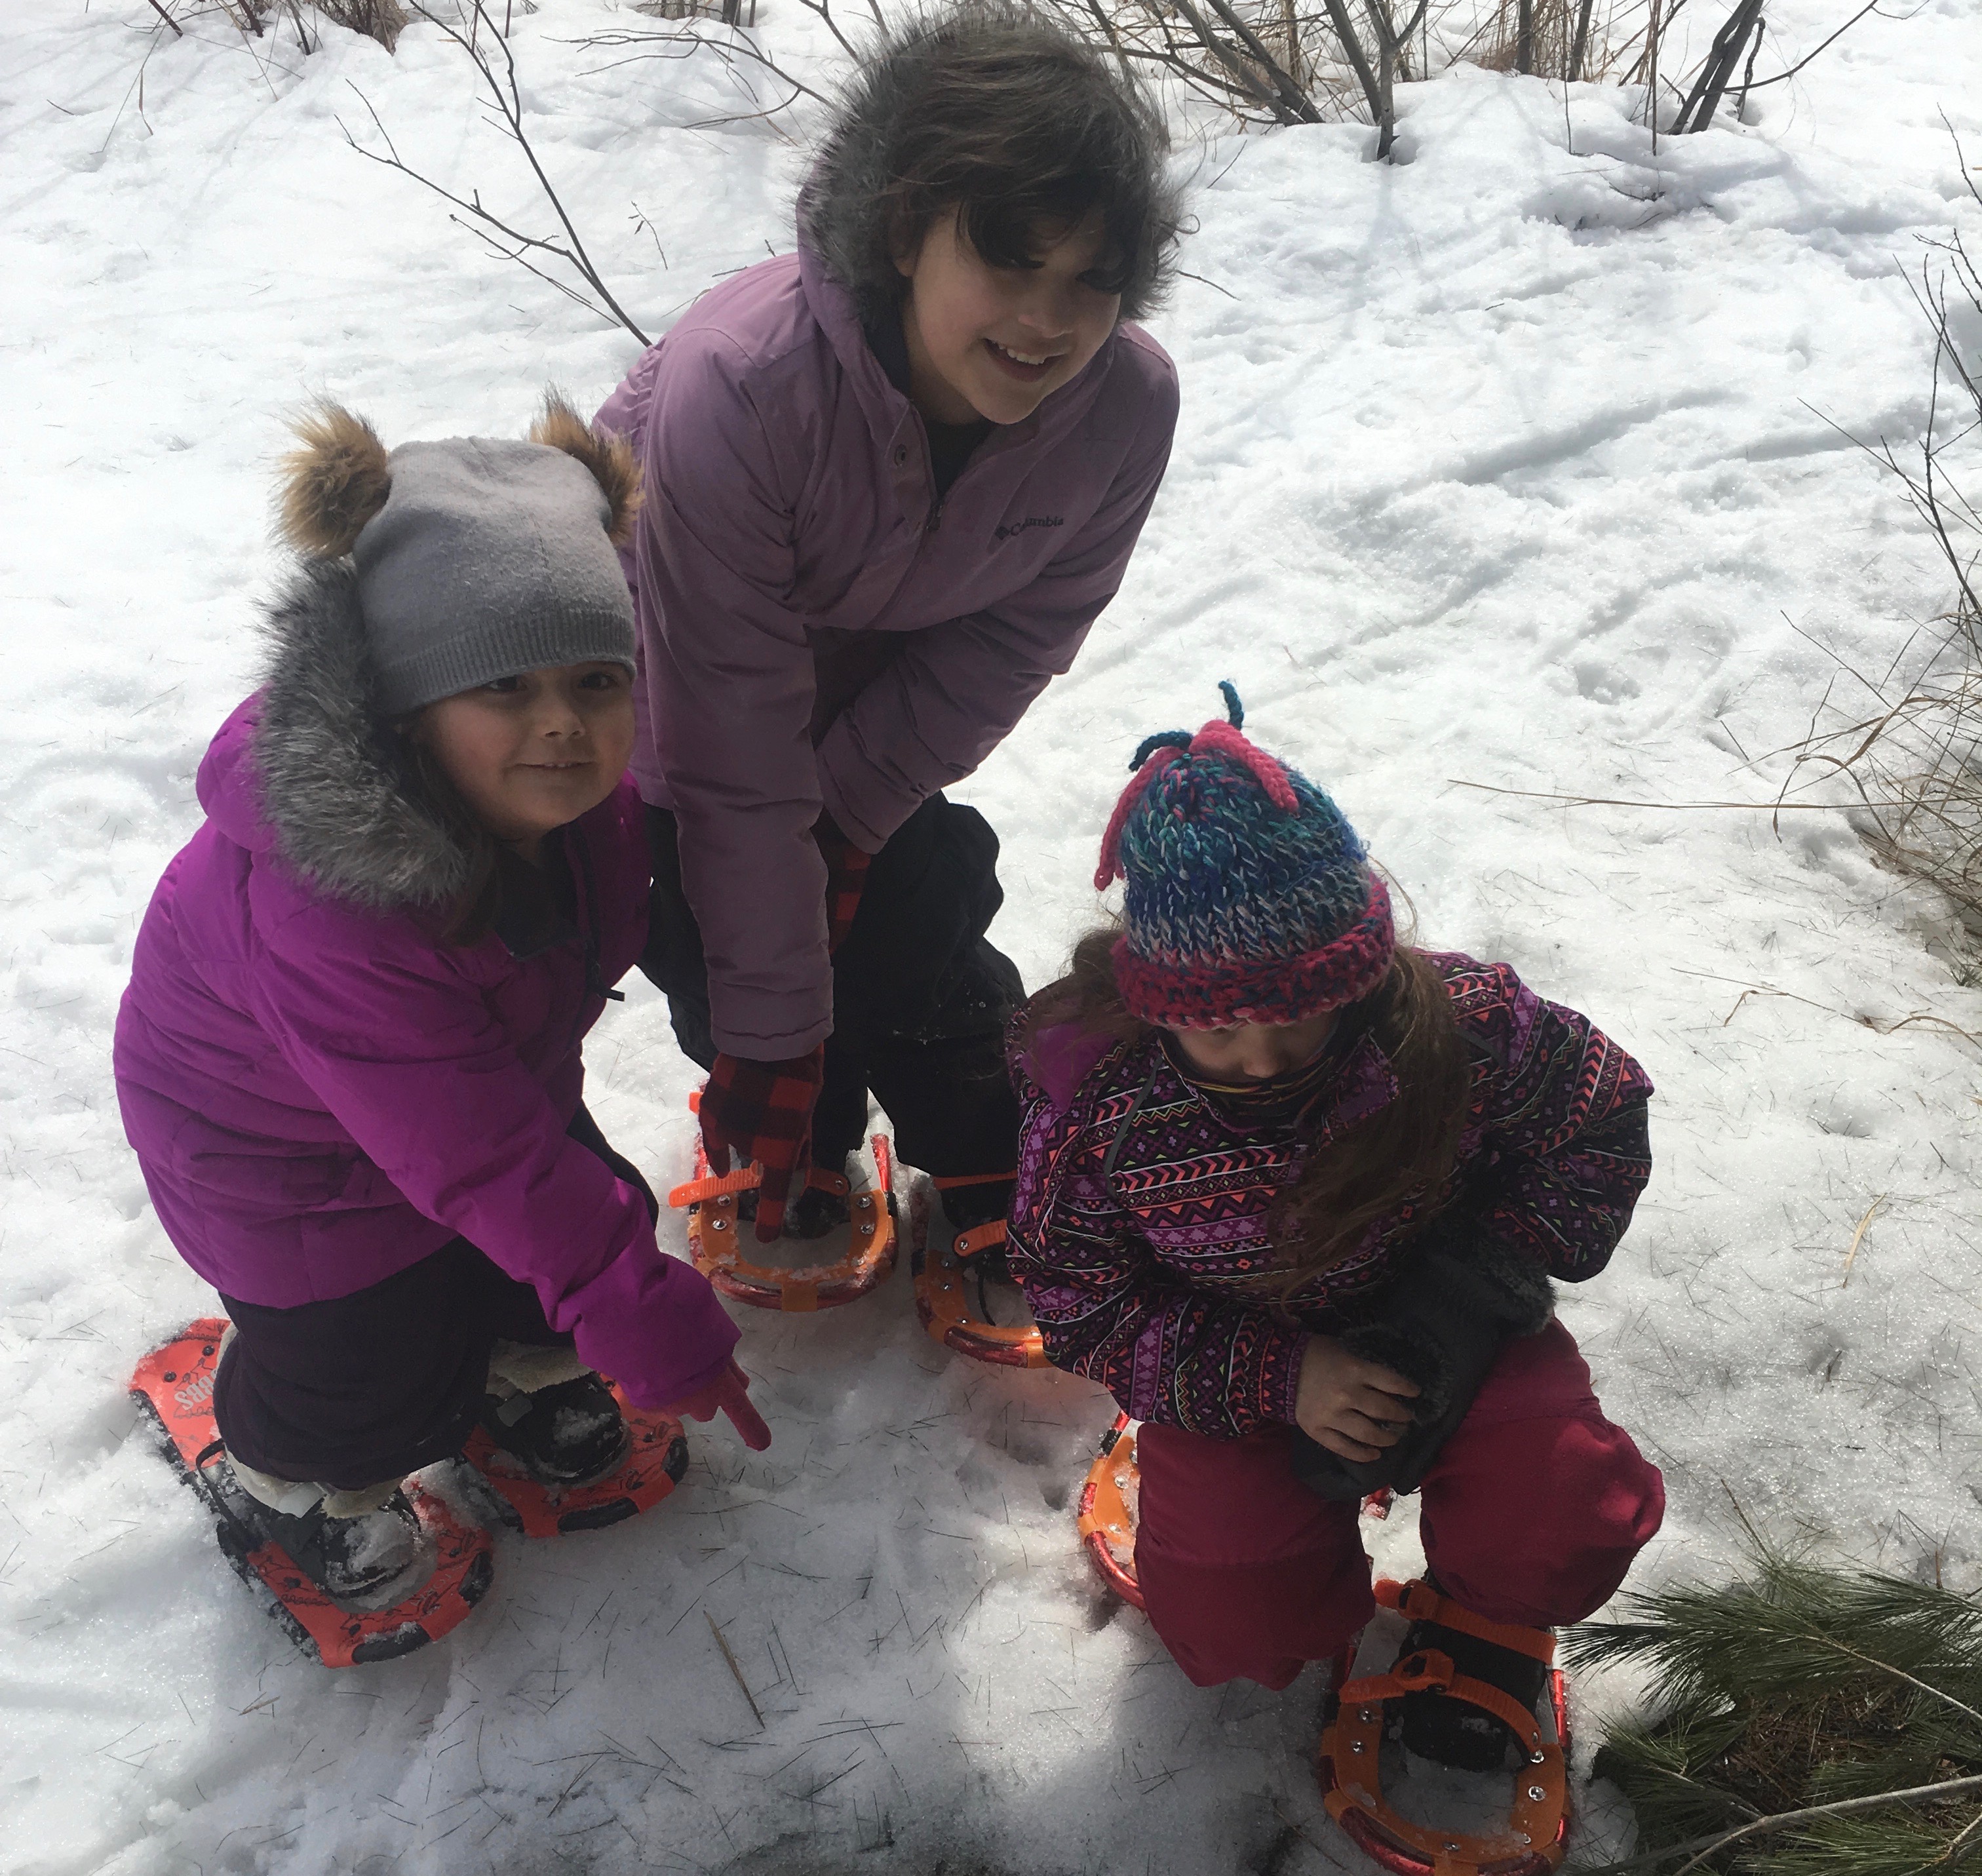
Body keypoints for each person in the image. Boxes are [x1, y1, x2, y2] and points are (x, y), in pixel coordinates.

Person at [114, 397, 768, 1609]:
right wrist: (636, 1311)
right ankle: (291, 1472)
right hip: (274, 1159)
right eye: (505, 686)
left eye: (593, 678)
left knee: (579, 1225)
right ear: (410, 713)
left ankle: (523, 1371)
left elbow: (499, 1132)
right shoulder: (338, 901)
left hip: (472, 1098)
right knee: (374, 1370)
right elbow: (482, 1162)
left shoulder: (577, 811)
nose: (563, 722)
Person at [594, 1, 1184, 1256]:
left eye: (1092, 278)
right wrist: (769, 1028)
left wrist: (849, 814)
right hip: (668, 711)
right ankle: (783, 1120)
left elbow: (1015, 637)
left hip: (868, 714)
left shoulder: (1122, 409)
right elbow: (725, 741)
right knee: (715, 939)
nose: (1047, 319)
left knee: (910, 931)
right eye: (1011, 261)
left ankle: (985, 1147)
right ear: (910, 228)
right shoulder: (743, 393)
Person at [1005, 687, 1665, 1769]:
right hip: (1236, 1366)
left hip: (1450, 1326)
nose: (1259, 1057)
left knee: (1571, 1502)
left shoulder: (1458, 1029)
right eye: (1214, 1028)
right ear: (1152, 997)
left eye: (1296, 1014)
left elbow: (1596, 1116)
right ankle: (1290, 1599)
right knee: (1239, 1618)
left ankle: (1484, 1609)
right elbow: (1083, 1304)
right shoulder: (1101, 1105)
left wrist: (1467, 1295)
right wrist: (1278, 1375)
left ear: (1357, 975)